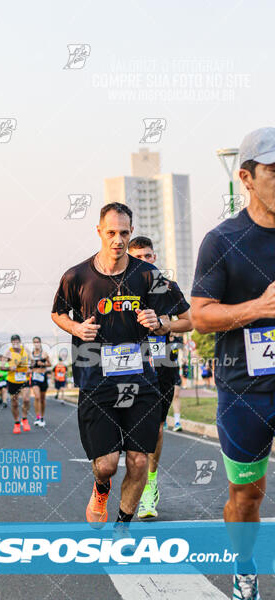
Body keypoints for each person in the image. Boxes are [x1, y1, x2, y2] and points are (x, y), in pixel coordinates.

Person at [52, 202, 172, 534]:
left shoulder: (148, 275)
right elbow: (58, 313)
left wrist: (160, 321)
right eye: (111, 233)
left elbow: (189, 317)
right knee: (106, 465)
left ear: (131, 233)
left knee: (137, 460)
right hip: (96, 382)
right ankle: (101, 489)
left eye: (123, 233)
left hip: (141, 382)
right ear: (99, 232)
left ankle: (122, 527)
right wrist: (76, 329)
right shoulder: (76, 276)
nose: (117, 240)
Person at [191, 127, 275, 600]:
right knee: (247, 498)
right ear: (246, 177)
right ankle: (245, 565)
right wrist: (257, 310)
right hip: (245, 393)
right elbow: (201, 315)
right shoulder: (222, 240)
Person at [128, 236, 192, 518]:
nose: (145, 261)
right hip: (126, 368)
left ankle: (149, 486)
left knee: (155, 429)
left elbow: (190, 321)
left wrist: (167, 324)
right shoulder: (116, 288)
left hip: (161, 367)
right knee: (127, 433)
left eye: (149, 256)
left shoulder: (167, 287)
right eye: (138, 256)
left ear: (155, 258)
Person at [4, 335, 31, 434]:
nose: (15, 344)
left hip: (24, 379)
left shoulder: (26, 350)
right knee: (14, 404)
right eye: (13, 342)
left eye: (17, 342)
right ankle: (16, 423)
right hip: (12, 380)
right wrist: (9, 368)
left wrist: (29, 368)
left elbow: (32, 362)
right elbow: (2, 366)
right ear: (11, 343)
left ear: (20, 342)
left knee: (26, 399)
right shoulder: (8, 352)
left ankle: (24, 419)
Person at [30, 336, 51, 427]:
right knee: (37, 397)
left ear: (40, 343)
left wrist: (43, 364)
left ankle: (42, 417)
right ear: (33, 344)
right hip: (35, 377)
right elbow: (29, 366)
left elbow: (50, 364)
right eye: (35, 342)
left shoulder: (44, 354)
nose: (36, 343)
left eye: (38, 342)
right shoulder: (31, 355)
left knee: (42, 399)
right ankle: (37, 417)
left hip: (43, 377)